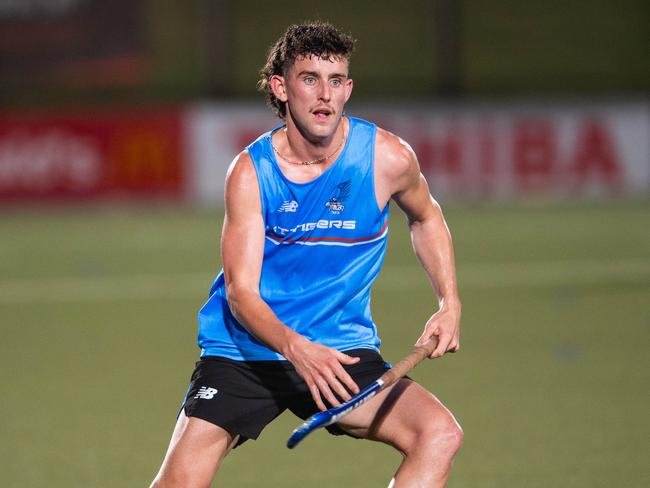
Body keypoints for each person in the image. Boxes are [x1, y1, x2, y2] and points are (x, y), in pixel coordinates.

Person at [151, 21, 462, 488]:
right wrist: (296, 349)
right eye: (310, 79)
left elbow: (427, 216)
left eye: (335, 81)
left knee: (438, 434)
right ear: (281, 87)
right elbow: (240, 293)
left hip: (337, 350)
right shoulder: (251, 173)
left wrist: (448, 302)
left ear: (348, 88)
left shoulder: (387, 158)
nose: (325, 95)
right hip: (248, 351)